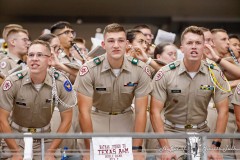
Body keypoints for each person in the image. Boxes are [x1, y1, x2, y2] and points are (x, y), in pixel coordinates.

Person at [150, 26, 231, 159]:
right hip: (172, 133)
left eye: (198, 43)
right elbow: (155, 112)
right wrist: (165, 147)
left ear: (203, 47)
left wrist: (215, 147)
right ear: (181, 48)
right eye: (189, 43)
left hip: (200, 132)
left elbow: (223, 111)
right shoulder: (166, 73)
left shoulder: (215, 73)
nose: (194, 47)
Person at [74, 23, 152, 160]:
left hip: (126, 120)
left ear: (127, 44)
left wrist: (136, 148)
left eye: (120, 40)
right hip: (96, 120)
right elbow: (83, 112)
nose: (116, 45)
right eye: (111, 41)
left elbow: (141, 112)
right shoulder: (89, 69)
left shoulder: (140, 69)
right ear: (103, 45)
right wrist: (89, 148)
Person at [0, 40, 76, 159]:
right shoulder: (13, 81)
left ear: (49, 59)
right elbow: (2, 119)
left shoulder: (60, 82)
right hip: (16, 138)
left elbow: (67, 119)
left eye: (40, 55)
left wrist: (51, 150)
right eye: (31, 55)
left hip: (44, 138)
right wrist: (15, 151)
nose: (34, 58)